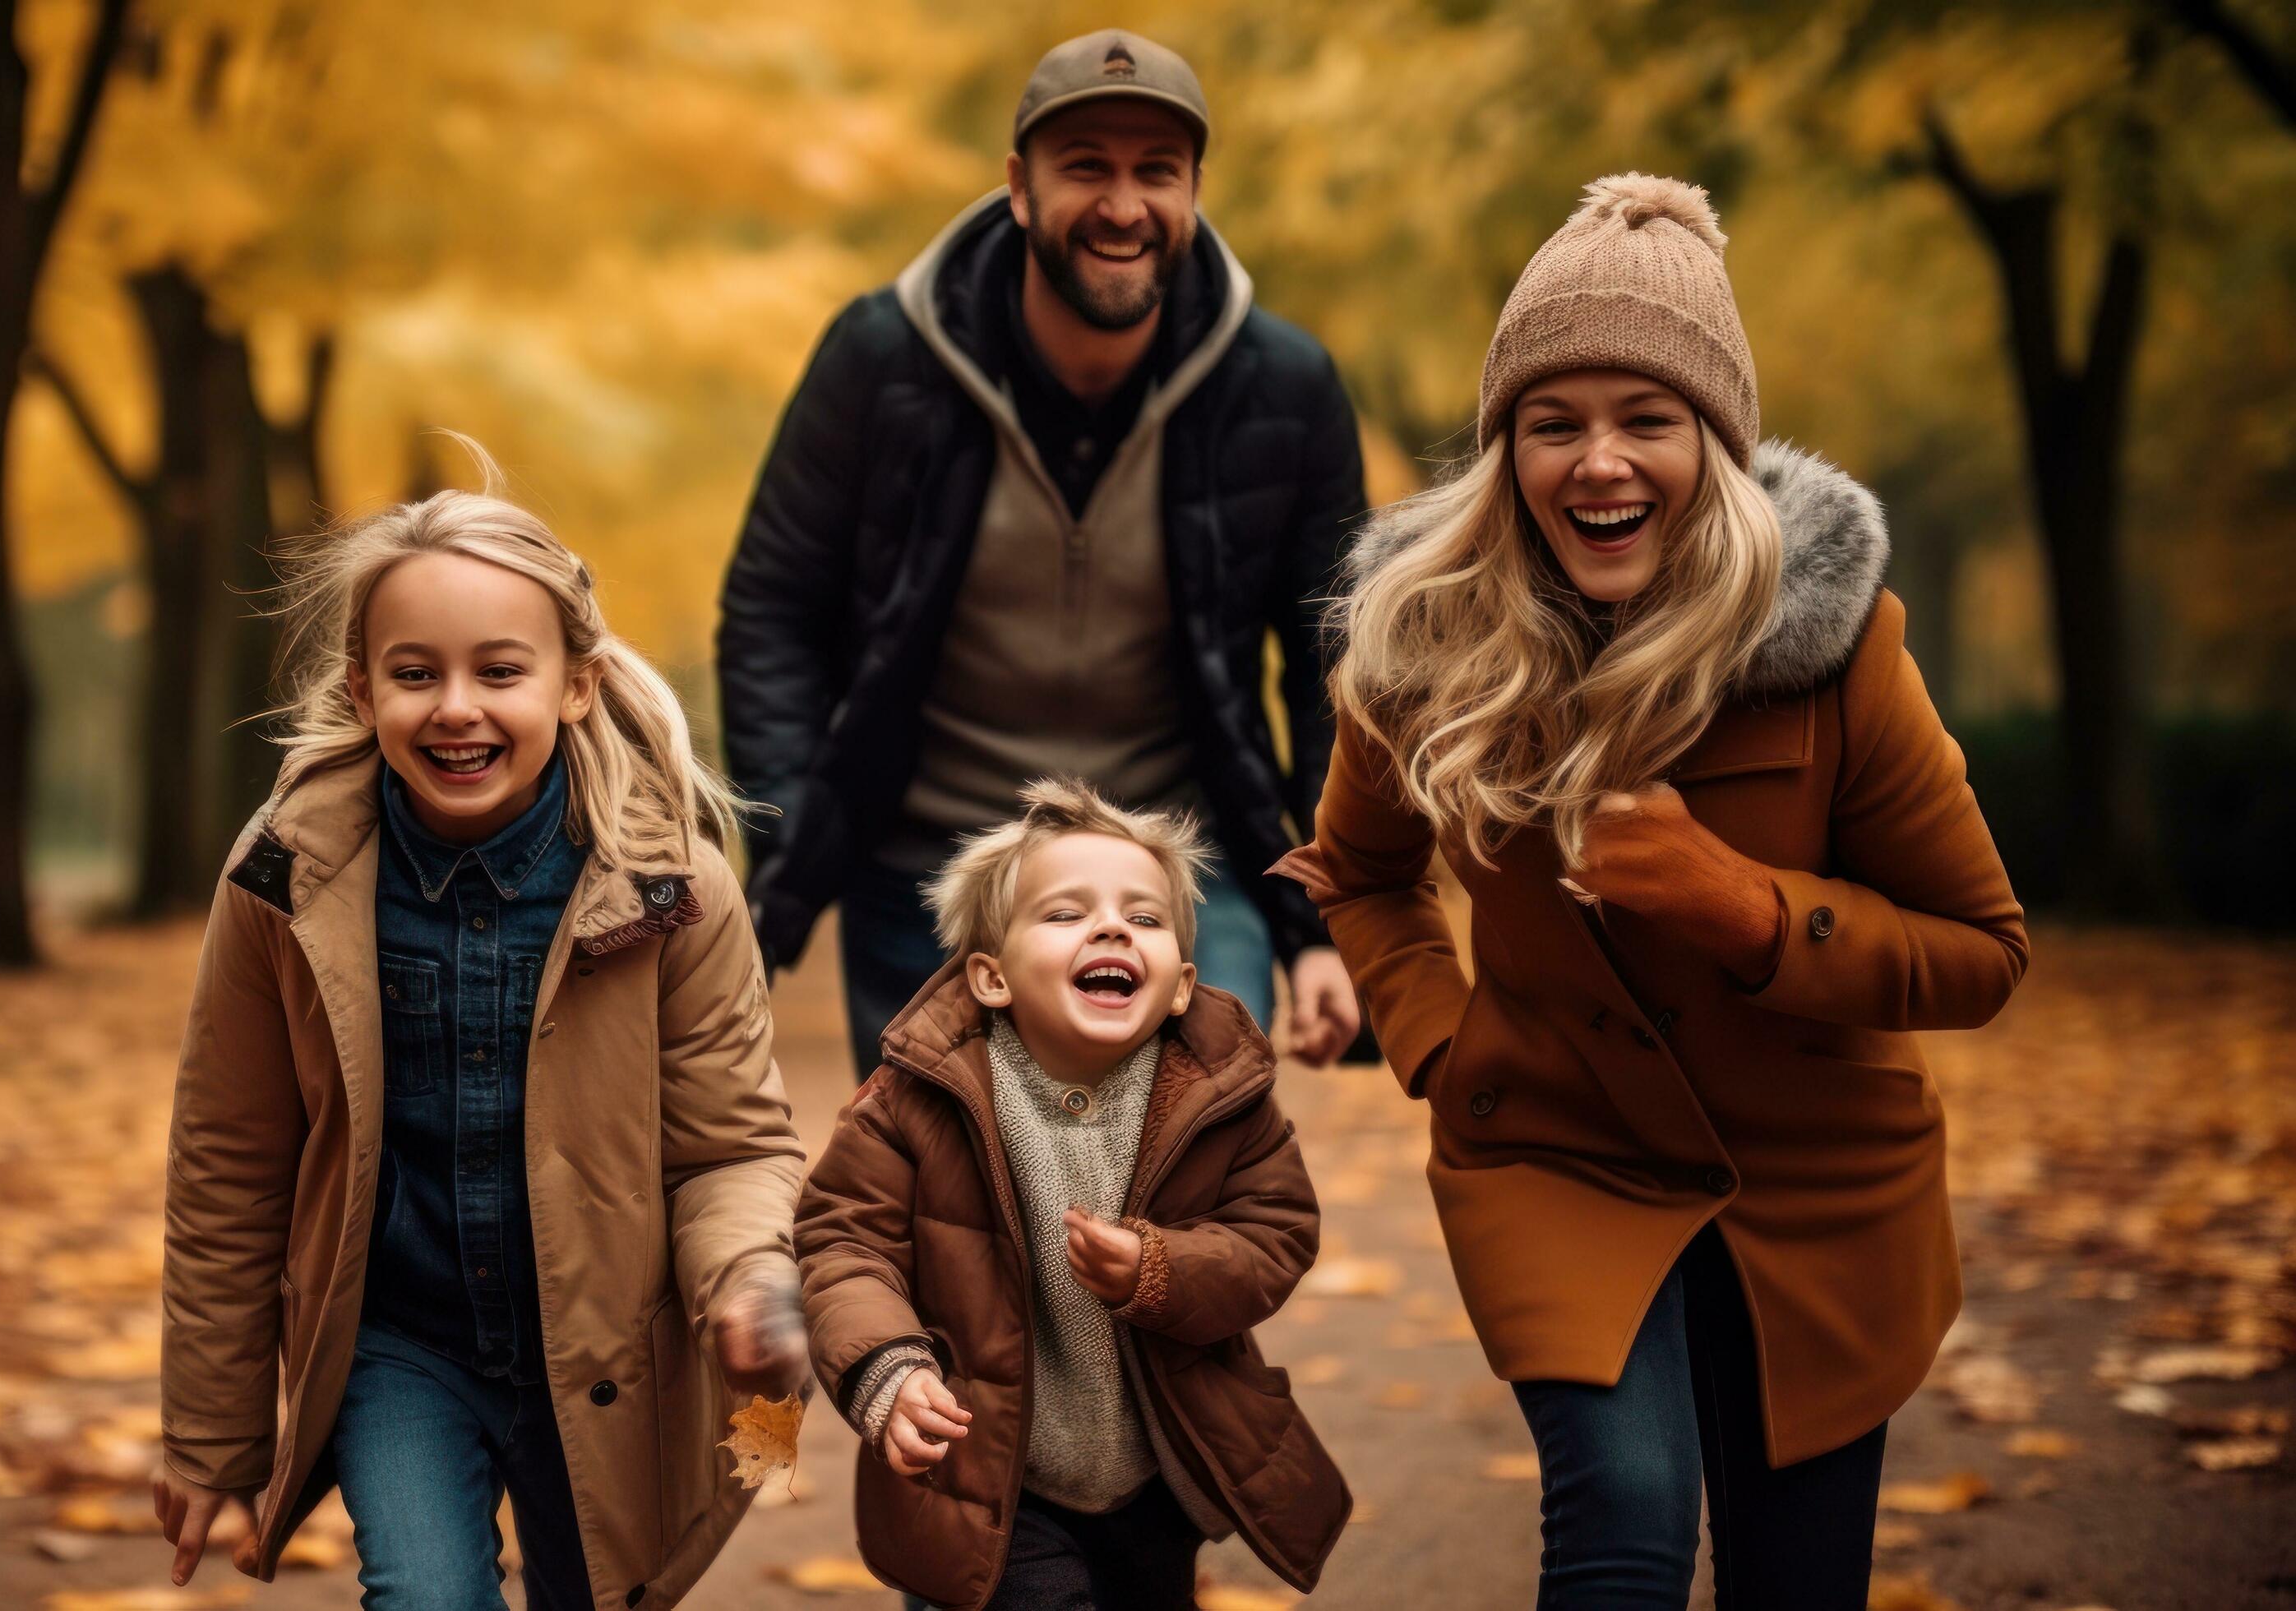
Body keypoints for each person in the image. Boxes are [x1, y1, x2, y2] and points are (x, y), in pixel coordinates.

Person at [1277, 175, 2029, 1609]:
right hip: (1560, 1154)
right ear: (1505, 454)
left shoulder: (1843, 654)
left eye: (1647, 420)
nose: (1596, 463)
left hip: (1819, 1189)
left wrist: (1746, 910)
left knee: (1790, 1579)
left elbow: (1981, 952)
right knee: (1619, 1520)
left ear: (1716, 445)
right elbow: (1360, 874)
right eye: (1550, 424)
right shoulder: (1418, 648)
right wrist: (1442, 1043)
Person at [152, 444, 809, 1611]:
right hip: (399, 1348)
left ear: (575, 683)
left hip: (610, 1350)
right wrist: (211, 1437)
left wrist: (747, 1280)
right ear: (363, 693)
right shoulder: (280, 882)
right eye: (416, 674)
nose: (456, 708)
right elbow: (228, 1167)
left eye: (499, 671)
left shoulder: (674, 893)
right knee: (423, 1597)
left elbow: (733, 1148)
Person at [718, 30, 1367, 1079]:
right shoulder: (882, 361)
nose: (1123, 205)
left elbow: (1333, 669)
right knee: (952, 1219)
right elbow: (772, 610)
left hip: (1185, 865)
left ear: (1195, 190)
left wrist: (1326, 923)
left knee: (1183, 1197)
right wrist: (799, 844)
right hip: (931, 877)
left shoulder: (1283, 388)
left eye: (1155, 171)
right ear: (1019, 189)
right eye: (1086, 168)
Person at [797, 778, 1348, 1611]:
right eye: (1064, 914)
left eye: (1144, 916)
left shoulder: (1218, 1096)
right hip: (993, 1475)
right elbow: (843, 1243)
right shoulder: (914, 1098)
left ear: (1175, 984)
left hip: (1154, 1473)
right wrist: (885, 1363)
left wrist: (1162, 1268)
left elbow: (1273, 1234)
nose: (1111, 927)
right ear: (989, 977)